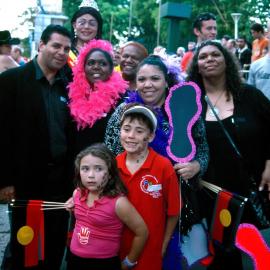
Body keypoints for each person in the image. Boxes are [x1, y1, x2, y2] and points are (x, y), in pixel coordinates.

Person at [105, 55, 209, 268]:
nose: (148, 85)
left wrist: (196, 166)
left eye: (155, 79)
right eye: (142, 79)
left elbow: (203, 147)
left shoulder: (184, 109)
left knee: (166, 255)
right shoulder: (123, 113)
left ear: (166, 81)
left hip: (176, 201)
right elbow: (108, 157)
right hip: (130, 199)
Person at [186, 40, 270, 269]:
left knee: (257, 253)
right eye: (203, 57)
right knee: (221, 255)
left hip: (252, 190)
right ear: (197, 66)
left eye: (216, 54)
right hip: (211, 194)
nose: (209, 59)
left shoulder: (249, 96)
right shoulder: (189, 103)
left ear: (227, 61)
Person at [0, 24, 75, 269]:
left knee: (53, 246)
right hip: (24, 181)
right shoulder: (12, 80)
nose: (62, 52)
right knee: (23, 245)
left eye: (66, 48)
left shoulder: (71, 85)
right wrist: (5, 180)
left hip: (60, 182)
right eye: (56, 45)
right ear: (41, 45)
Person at [117, 104, 181, 270]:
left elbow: (174, 211)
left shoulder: (163, 166)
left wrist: (164, 245)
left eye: (139, 131)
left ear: (151, 136)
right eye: (126, 129)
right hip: (117, 246)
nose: (131, 136)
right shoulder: (113, 164)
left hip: (151, 248)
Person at [65, 143, 148, 270]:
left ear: (110, 174)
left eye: (98, 169)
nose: (91, 175)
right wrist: (72, 207)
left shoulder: (119, 203)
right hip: (74, 259)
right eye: (85, 168)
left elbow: (142, 232)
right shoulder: (76, 194)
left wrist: (129, 262)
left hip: (103, 263)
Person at [68, 39, 128, 155]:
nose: (96, 67)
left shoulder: (121, 99)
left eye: (103, 63)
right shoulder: (72, 95)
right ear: (83, 68)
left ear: (111, 69)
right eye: (91, 63)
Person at [67, 0, 103, 68]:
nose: (86, 27)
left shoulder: (104, 53)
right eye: (82, 23)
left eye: (92, 24)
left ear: (98, 27)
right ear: (74, 25)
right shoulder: (65, 49)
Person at [248, 21, 270, 100]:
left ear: (260, 32)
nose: (252, 35)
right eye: (252, 33)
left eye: (254, 32)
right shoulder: (254, 42)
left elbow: (264, 53)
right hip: (255, 67)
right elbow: (253, 54)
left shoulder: (265, 41)